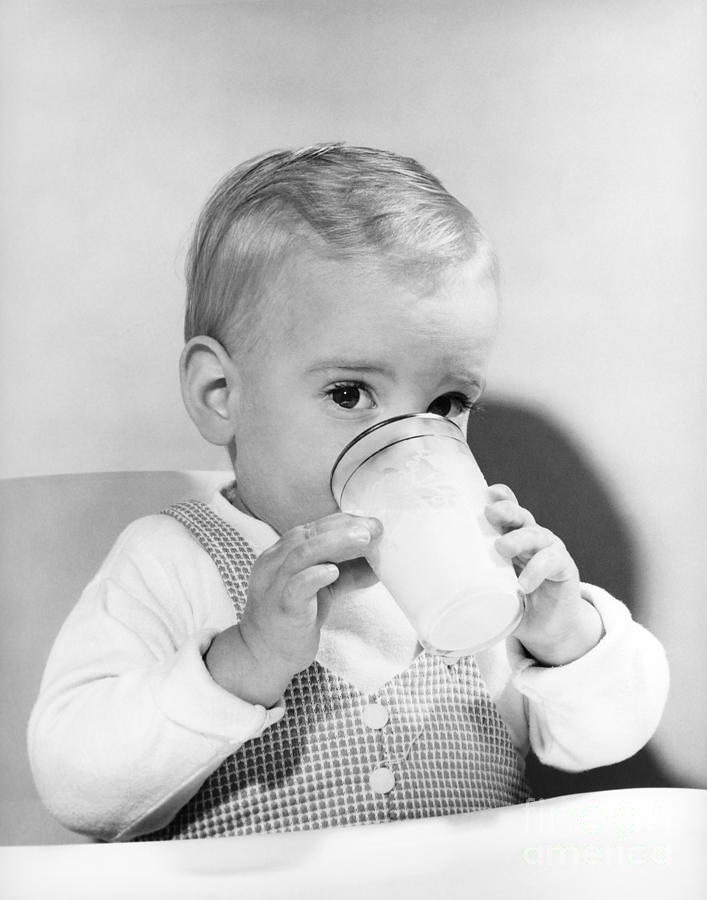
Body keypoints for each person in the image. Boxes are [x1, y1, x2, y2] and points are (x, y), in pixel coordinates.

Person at [28, 144, 669, 842]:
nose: (404, 442)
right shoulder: (172, 560)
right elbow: (76, 785)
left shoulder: (473, 562)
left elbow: (609, 736)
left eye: (448, 401)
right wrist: (244, 661)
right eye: (349, 393)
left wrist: (564, 636)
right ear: (221, 395)